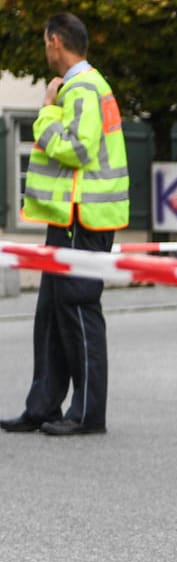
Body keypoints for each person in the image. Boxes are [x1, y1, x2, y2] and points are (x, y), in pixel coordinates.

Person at [2, 13, 127, 437]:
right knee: (52, 313)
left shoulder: (85, 88)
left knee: (76, 310)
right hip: (70, 217)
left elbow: (77, 148)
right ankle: (42, 407)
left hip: (83, 217)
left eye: (44, 41)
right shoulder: (80, 87)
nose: (44, 49)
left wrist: (44, 114)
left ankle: (88, 413)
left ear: (55, 41)